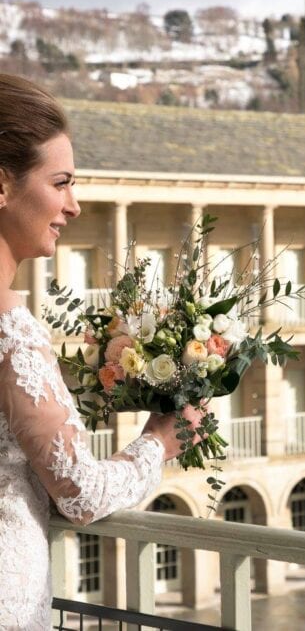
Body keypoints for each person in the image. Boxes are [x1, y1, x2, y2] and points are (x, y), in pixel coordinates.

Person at [0, 74, 204, 630]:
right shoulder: (10, 333)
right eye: (61, 182)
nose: (75, 204)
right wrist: (159, 442)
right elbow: (80, 492)